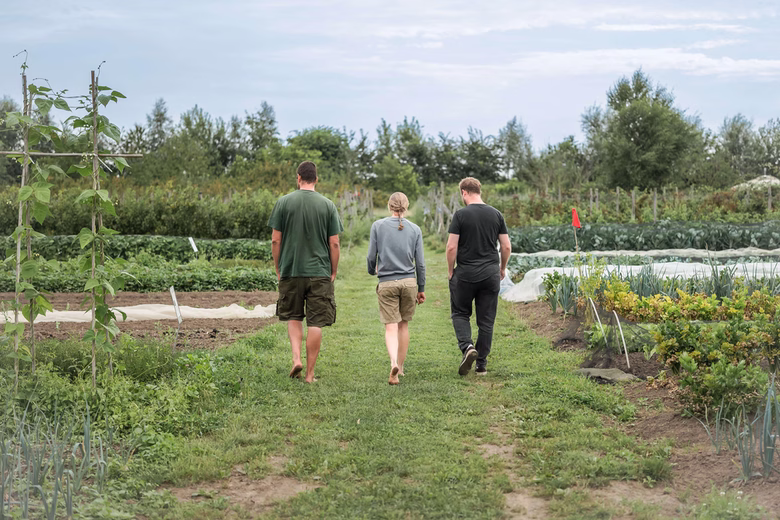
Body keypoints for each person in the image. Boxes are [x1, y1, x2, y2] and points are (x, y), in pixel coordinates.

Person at [268, 161, 343, 383]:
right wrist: (333, 270)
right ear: (316, 179)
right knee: (316, 322)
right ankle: (310, 374)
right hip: (319, 271)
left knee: (293, 316)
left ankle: (295, 359)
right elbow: (335, 243)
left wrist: (278, 266)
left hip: (291, 269)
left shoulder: (283, 203)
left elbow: (275, 240)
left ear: (298, 177)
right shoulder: (328, 205)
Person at [446, 177, 511, 376]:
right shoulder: (496, 214)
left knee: (460, 313)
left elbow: (451, 247)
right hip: (490, 273)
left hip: (466, 273)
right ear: (479, 191)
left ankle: (467, 347)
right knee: (486, 321)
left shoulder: (460, 215)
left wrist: (450, 270)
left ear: (464, 192)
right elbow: (506, 246)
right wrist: (502, 268)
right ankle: (481, 365)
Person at [367, 192, 426, 385]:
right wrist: (421, 287)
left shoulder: (378, 226)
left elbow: (371, 256)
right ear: (406, 206)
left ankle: (392, 362)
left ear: (389, 206)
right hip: (409, 282)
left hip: (387, 282)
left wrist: (371, 271)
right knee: (404, 325)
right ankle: (400, 367)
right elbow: (421, 264)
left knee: (390, 327)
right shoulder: (415, 229)